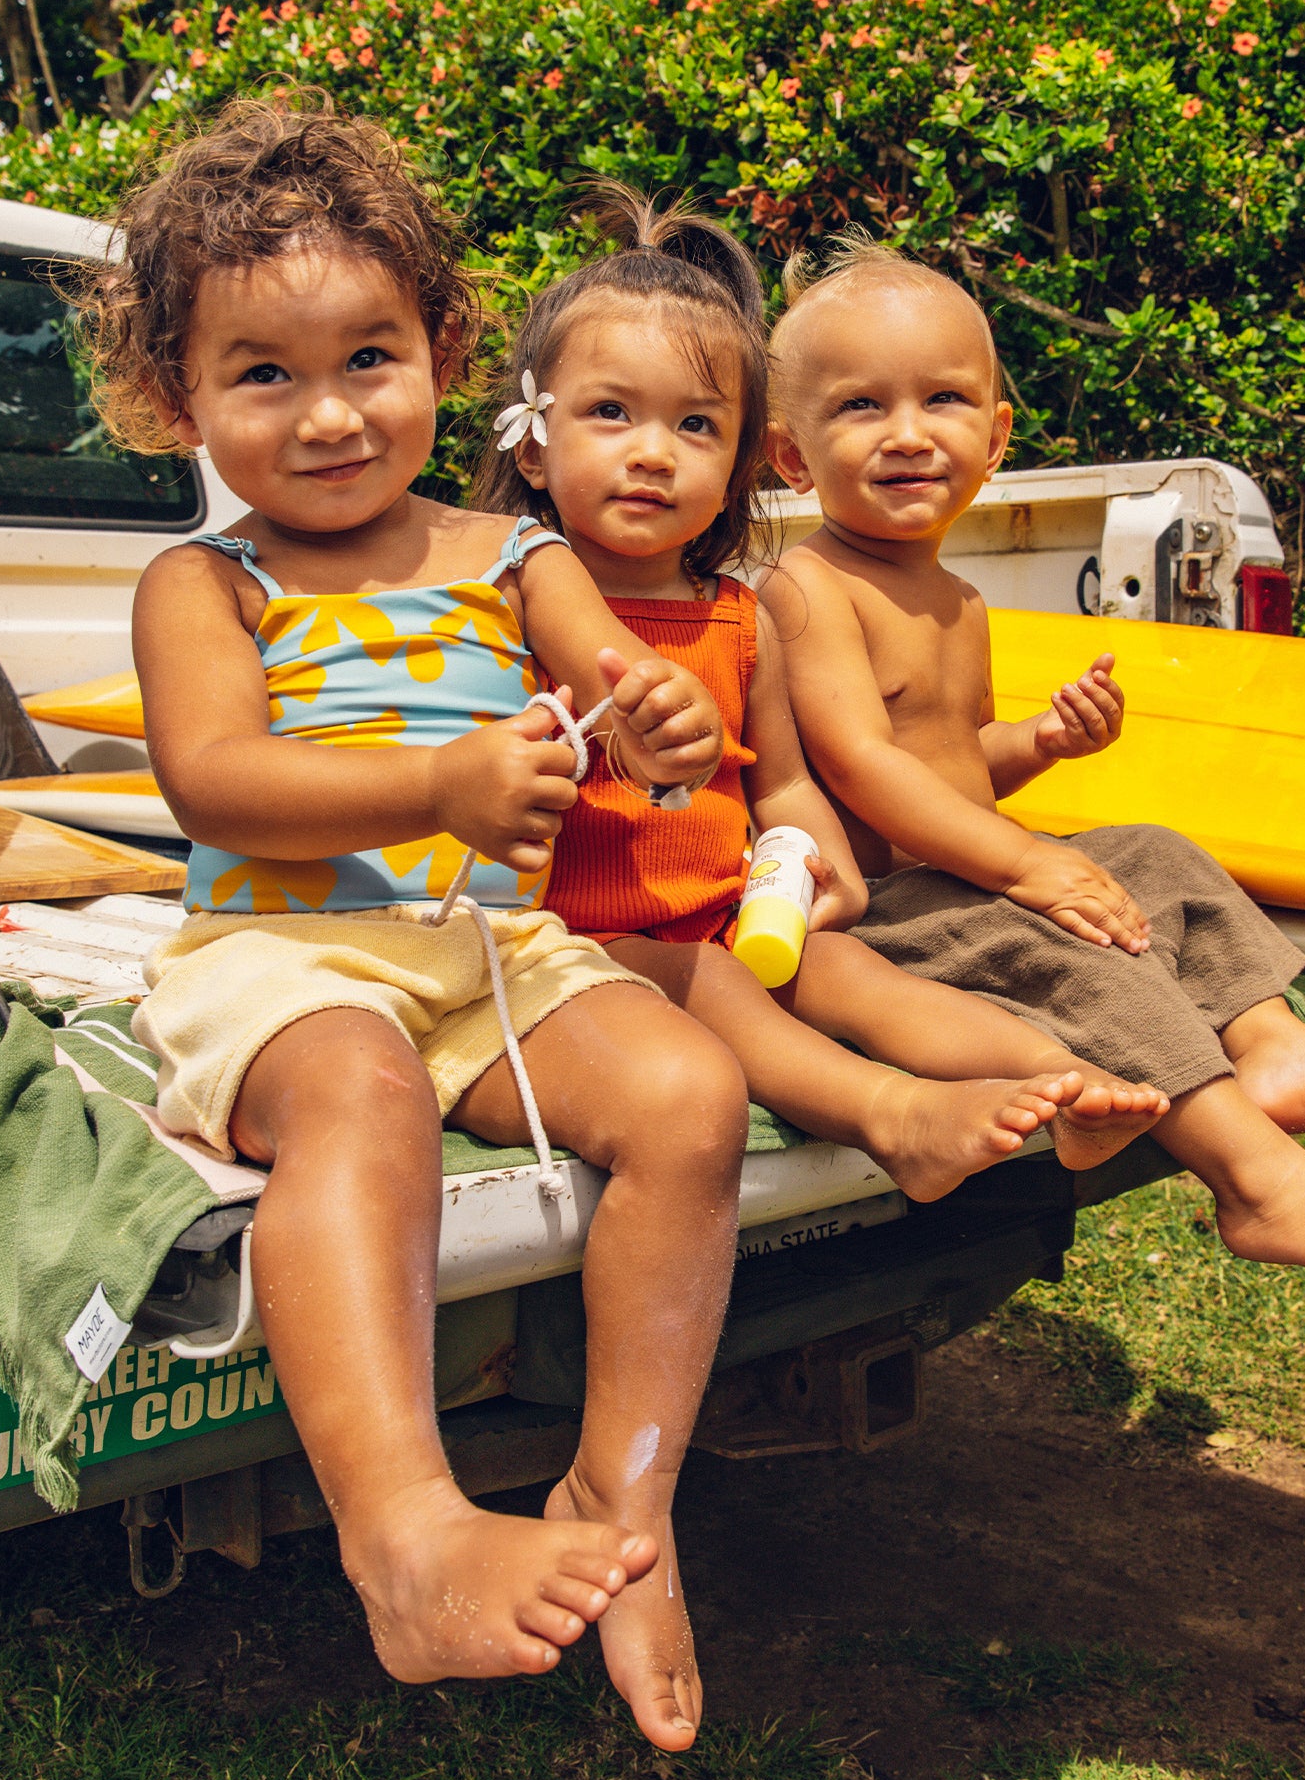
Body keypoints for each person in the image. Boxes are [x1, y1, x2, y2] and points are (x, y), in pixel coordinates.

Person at [77, 95, 750, 1751]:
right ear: (176, 397)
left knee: (689, 1100)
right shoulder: (206, 586)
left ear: (446, 346)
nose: (325, 417)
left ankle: (624, 1500)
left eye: (368, 358)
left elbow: (624, 682)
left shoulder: (512, 554)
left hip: (485, 960)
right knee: (360, 1094)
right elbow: (219, 782)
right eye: (262, 376)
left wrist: (657, 725)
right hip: (283, 962)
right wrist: (437, 789)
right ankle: (403, 1530)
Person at [764, 237, 1305, 1288]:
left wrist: (1039, 744)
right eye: (861, 407)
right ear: (790, 457)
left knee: (1158, 856)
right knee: (1086, 958)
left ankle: (1267, 1040)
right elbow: (863, 768)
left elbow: (950, 762)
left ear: (995, 437)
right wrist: (1021, 866)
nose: (907, 435)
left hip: (964, 869)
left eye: (943, 401)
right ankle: (1256, 1182)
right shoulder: (810, 589)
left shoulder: (955, 599)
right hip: (893, 909)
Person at [470, 188, 1172, 1190]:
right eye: (610, 413)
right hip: (586, 935)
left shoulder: (740, 614)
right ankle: (895, 1117)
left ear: (741, 464)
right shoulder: (501, 607)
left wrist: (822, 863)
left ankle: (1064, 1082)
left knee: (848, 970)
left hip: (725, 910)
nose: (651, 452)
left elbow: (785, 785)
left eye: (695, 424)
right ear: (533, 443)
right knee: (716, 985)